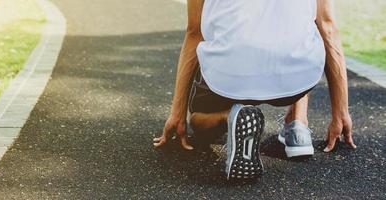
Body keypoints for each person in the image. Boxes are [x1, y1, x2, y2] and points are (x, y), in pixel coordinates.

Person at [153, 0, 357, 179]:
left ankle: (229, 116)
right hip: (296, 77)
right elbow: (328, 27)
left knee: (199, 120)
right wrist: (340, 112)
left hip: (230, 76)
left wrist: (177, 113)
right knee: (302, 28)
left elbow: (194, 33)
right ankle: (297, 124)